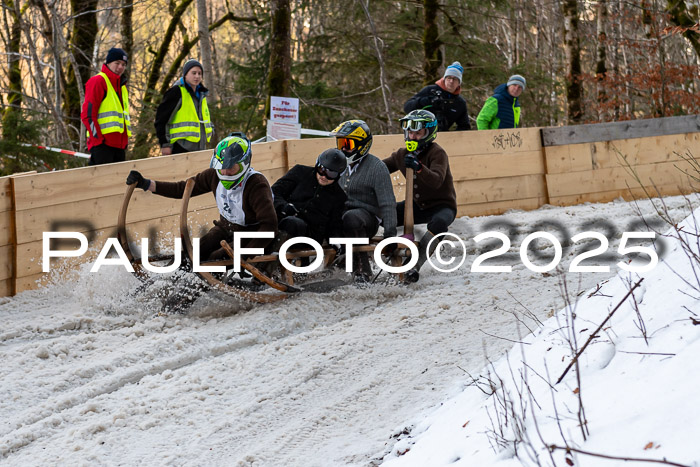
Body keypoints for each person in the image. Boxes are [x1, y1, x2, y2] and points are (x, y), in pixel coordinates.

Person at [125, 133, 277, 264]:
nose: (225, 172)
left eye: (231, 168)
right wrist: (147, 184)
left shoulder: (257, 185)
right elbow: (182, 189)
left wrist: (245, 255)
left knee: (214, 259)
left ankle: (194, 290)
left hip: (250, 233)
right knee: (191, 253)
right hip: (225, 228)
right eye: (221, 166)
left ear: (244, 165)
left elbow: (269, 226)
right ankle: (165, 281)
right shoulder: (213, 175)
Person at [383, 110, 457, 283]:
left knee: (439, 224)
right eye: (410, 132)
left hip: (442, 206)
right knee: (383, 213)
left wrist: (420, 168)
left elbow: (437, 180)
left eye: (418, 133)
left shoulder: (437, 153)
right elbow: (380, 168)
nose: (413, 136)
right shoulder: (401, 154)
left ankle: (414, 265)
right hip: (417, 206)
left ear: (428, 133)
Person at [332, 119, 397, 282]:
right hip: (341, 215)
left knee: (351, 218)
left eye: (347, 144)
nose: (343, 148)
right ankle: (326, 267)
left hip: (366, 218)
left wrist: (390, 235)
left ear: (362, 145)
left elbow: (387, 203)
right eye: (340, 143)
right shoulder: (338, 165)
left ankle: (363, 271)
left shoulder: (377, 167)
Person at [271, 148, 348, 245]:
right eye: (321, 170)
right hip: (283, 219)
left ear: (338, 176)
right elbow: (274, 192)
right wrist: (283, 206)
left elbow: (334, 225)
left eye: (330, 174)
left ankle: (277, 250)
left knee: (293, 223)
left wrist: (336, 242)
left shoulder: (339, 196)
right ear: (317, 165)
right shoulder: (299, 172)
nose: (324, 176)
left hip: (309, 234)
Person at [81, 47, 131, 166]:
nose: (120, 67)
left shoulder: (122, 86)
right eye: (117, 63)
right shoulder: (98, 81)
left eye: (123, 64)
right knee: (101, 183)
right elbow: (87, 115)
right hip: (102, 145)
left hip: (119, 146)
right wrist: (97, 140)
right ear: (108, 63)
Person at [154, 59, 213, 156]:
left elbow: (204, 119)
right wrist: (165, 144)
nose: (197, 76)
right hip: (179, 147)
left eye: (199, 73)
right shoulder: (176, 92)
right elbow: (161, 119)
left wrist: (211, 129)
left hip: (200, 148)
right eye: (193, 73)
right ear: (185, 74)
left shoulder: (202, 95)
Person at [403, 61, 471, 132]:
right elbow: (407, 107)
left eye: (455, 79)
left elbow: (464, 126)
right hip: (420, 133)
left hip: (443, 135)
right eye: (449, 78)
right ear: (444, 79)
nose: (451, 81)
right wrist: (425, 101)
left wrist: (453, 137)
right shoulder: (430, 90)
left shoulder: (459, 102)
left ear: (459, 83)